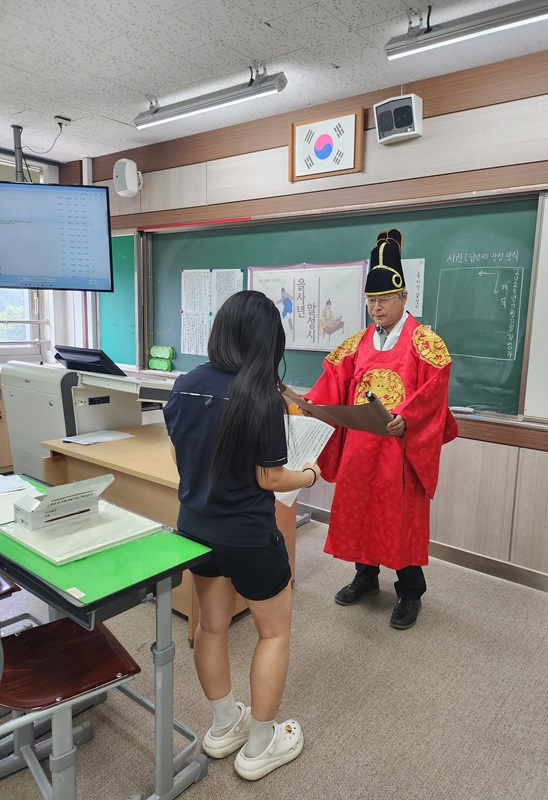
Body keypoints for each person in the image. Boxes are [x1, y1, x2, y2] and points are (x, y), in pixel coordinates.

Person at [163, 290, 321, 780]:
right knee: (273, 633)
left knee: (211, 627)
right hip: (249, 536)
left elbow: (182, 458)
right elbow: (269, 478)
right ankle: (259, 745)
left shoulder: (184, 385)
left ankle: (223, 724)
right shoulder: (261, 397)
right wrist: (309, 475)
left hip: (195, 529)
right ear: (265, 341)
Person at [304, 229, 457, 630]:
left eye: (384, 298)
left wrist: (407, 416)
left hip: (398, 450)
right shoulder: (356, 343)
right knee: (359, 510)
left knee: (400, 518)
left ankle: (410, 591)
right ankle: (366, 576)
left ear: (404, 297)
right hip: (360, 446)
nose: (376, 307)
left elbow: (434, 388)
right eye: (371, 300)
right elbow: (332, 380)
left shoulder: (426, 342)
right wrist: (306, 405)